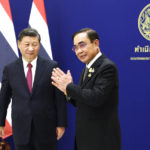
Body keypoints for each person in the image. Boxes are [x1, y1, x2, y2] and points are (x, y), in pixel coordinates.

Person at [51, 28, 121, 150]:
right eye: (75, 48)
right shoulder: (87, 68)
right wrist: (67, 91)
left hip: (101, 140)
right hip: (85, 139)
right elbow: (82, 102)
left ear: (96, 43)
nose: (79, 51)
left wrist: (69, 86)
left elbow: (96, 98)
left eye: (82, 45)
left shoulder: (107, 67)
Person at [0, 28, 67, 150]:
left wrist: (61, 123)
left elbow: (59, 98)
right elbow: (3, 98)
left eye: (34, 44)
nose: (31, 48)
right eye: (27, 44)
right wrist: (0, 122)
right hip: (21, 127)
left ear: (39, 45)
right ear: (19, 44)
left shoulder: (51, 66)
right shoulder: (9, 69)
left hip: (46, 127)